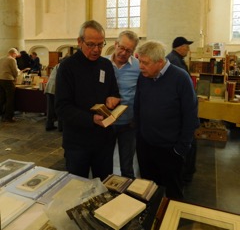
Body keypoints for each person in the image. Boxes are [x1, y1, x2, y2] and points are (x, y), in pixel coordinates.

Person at [55, 20, 121, 180]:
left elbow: (114, 91)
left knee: (103, 185)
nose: (96, 50)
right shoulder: (67, 67)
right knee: (77, 188)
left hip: (104, 141)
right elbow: (62, 108)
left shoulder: (105, 65)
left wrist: (113, 99)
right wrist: (91, 119)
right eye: (91, 44)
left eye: (100, 44)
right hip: (78, 142)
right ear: (79, 42)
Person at [134, 40, 199, 199]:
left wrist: (181, 148)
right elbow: (138, 107)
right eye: (140, 61)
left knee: (172, 192)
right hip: (146, 147)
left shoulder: (180, 78)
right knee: (149, 190)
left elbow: (190, 115)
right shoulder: (144, 77)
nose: (140, 66)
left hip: (170, 149)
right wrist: (140, 136)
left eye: (145, 63)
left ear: (160, 62)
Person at [106, 30, 140, 178]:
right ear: (115, 44)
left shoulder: (138, 67)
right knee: (104, 163)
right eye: (121, 47)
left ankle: (128, 198)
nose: (123, 52)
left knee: (127, 166)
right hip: (107, 122)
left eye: (128, 50)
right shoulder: (103, 63)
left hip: (128, 124)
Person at [166, 36, 197, 184]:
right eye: (186, 46)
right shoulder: (174, 60)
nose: (188, 49)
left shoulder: (177, 59)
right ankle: (184, 175)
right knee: (187, 143)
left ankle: (185, 173)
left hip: (181, 110)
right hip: (178, 112)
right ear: (179, 47)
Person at [0, 48, 30, 123]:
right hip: (8, 80)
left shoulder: (1, 58)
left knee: (1, 98)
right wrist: (17, 75)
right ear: (13, 53)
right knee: (10, 99)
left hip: (0, 79)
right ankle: (8, 117)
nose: (16, 57)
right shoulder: (12, 59)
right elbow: (15, 71)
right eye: (16, 55)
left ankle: (1, 115)